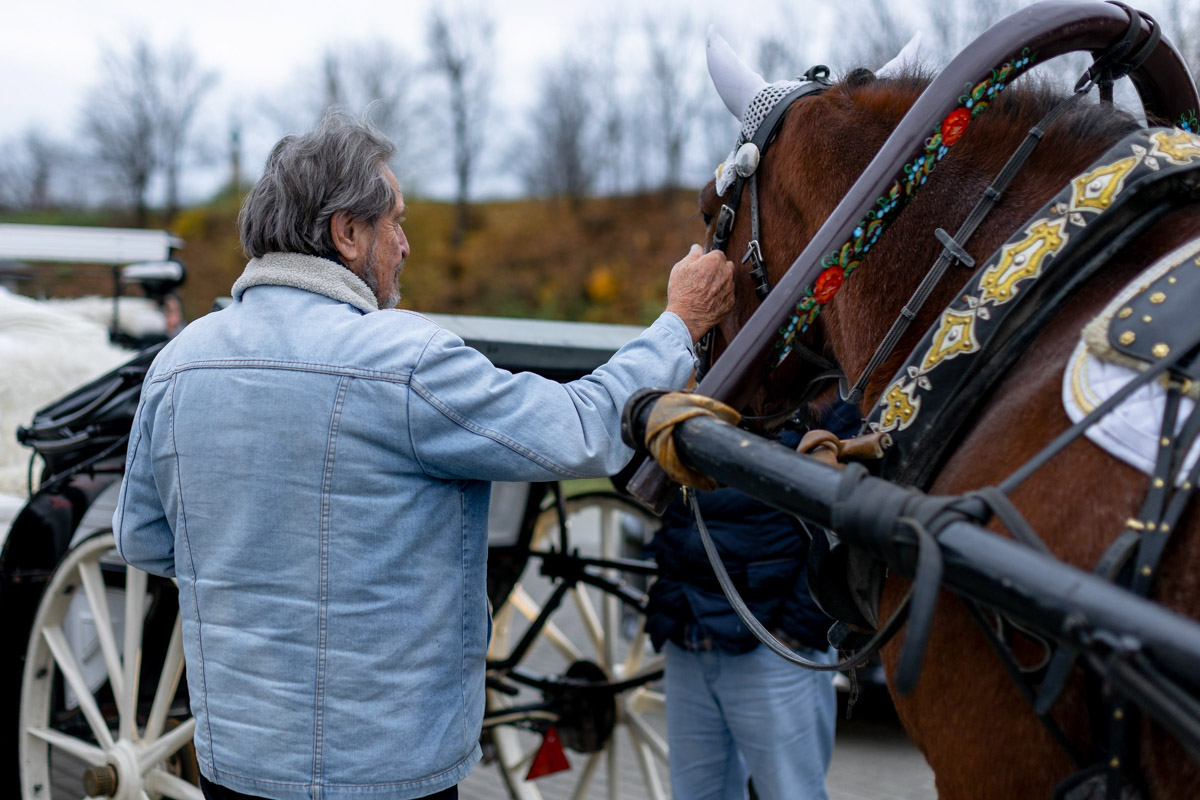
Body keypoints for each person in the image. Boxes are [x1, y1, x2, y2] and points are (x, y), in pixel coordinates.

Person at [113, 110, 734, 800]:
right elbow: (581, 427)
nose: (404, 246)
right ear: (347, 233)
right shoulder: (405, 361)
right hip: (387, 769)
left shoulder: (177, 364)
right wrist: (678, 323)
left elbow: (143, 541)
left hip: (237, 762)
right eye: (395, 223)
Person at [644, 405, 858, 800]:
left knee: (792, 793)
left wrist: (794, 631)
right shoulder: (702, 374)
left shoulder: (826, 396)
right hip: (688, 633)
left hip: (775, 645)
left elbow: (842, 523)